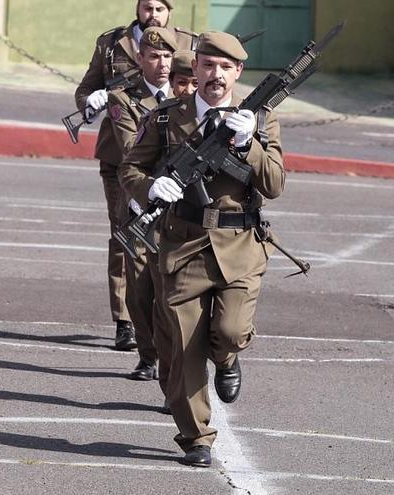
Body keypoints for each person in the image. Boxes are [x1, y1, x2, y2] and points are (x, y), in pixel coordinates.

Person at [118, 31, 284, 467]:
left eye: (225, 68)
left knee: (228, 332)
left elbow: (275, 184)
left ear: (238, 73)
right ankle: (197, 437)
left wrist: (248, 146)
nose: (215, 75)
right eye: (208, 66)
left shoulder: (261, 121)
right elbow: (130, 168)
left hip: (240, 247)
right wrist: (152, 185)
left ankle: (228, 360)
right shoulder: (165, 118)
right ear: (196, 69)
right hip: (182, 245)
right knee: (183, 349)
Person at [74, 0, 196, 351]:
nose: (153, 13)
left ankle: (167, 313)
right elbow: (86, 90)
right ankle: (126, 320)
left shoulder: (190, 42)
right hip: (120, 158)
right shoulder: (113, 43)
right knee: (125, 235)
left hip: (178, 159)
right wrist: (92, 101)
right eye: (147, 6)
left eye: (160, 7)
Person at [107, 27, 177, 387]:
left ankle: (169, 363)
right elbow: (131, 147)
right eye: (154, 56)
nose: (162, 64)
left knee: (169, 290)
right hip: (139, 201)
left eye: (167, 56)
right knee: (139, 288)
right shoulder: (123, 98)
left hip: (178, 205)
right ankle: (148, 355)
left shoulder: (186, 93)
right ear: (140, 59)